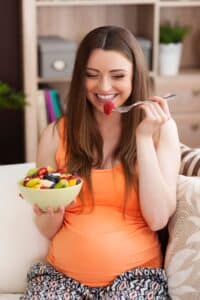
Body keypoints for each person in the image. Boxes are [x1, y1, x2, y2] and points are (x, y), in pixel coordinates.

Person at [21, 26, 180, 299]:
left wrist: (142, 138)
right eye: (92, 75)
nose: (104, 87)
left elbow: (157, 219)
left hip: (136, 279)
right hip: (60, 278)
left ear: (135, 77)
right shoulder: (54, 134)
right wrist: (52, 210)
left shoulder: (160, 130)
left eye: (117, 76)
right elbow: (48, 230)